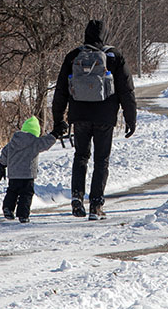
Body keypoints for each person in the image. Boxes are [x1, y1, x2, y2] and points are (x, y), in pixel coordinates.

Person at [51, 19, 136, 221]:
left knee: (81, 156)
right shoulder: (114, 56)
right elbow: (126, 91)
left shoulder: (73, 56)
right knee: (101, 160)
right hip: (105, 117)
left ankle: (76, 198)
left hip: (79, 115)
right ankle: (96, 205)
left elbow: (61, 91)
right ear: (105, 34)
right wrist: (130, 118)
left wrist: (57, 119)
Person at [0, 116, 58, 223]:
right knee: (26, 195)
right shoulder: (35, 142)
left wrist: (2, 166)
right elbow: (46, 143)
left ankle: (8, 208)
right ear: (35, 131)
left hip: (14, 174)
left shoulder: (13, 142)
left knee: (12, 192)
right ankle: (23, 215)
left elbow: (5, 153)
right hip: (27, 174)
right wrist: (55, 134)